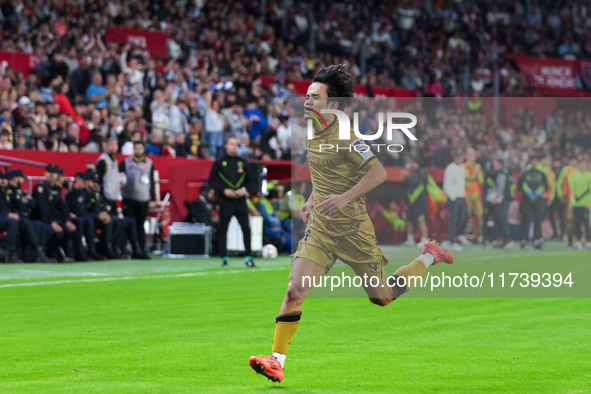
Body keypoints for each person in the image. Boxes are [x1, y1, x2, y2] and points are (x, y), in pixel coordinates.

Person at [248, 65, 454, 383]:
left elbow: (378, 173)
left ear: (332, 104)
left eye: (315, 97)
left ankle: (428, 256)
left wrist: (345, 198)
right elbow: (325, 174)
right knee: (295, 289)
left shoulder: (346, 135)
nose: (307, 101)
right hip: (321, 228)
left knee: (381, 296)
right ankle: (277, 361)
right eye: (306, 95)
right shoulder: (314, 133)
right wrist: (312, 199)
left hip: (353, 229)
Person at [207, 136, 256, 267]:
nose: (234, 146)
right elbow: (211, 182)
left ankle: (248, 257)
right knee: (223, 229)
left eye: (236, 144)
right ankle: (224, 258)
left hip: (240, 201)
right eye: (231, 144)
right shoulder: (219, 162)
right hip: (225, 201)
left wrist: (244, 190)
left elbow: (252, 181)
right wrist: (223, 191)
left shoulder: (243, 162)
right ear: (226, 146)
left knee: (246, 229)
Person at [31, 164, 85, 262]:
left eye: (54, 173)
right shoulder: (40, 188)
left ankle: (65, 252)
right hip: (41, 219)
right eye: (49, 172)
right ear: (45, 173)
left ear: (57, 175)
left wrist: (67, 220)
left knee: (70, 230)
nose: (51, 175)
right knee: (57, 231)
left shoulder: (56, 188)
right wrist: (51, 222)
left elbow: (62, 207)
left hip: (53, 220)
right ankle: (48, 252)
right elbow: (42, 208)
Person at [5, 169, 55, 262]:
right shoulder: (9, 191)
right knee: (28, 224)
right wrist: (26, 201)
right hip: (14, 218)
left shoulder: (18, 191)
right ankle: (38, 252)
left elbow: (33, 204)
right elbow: (21, 205)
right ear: (16, 179)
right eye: (21, 178)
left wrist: (27, 201)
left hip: (22, 217)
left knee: (41, 226)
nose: (23, 180)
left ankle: (37, 253)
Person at [119, 141, 156, 256]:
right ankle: (123, 248)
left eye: (140, 148)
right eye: (136, 148)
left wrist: (152, 198)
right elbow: (116, 173)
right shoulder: (127, 162)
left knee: (140, 226)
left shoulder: (149, 163)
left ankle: (141, 249)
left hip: (143, 199)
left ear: (144, 149)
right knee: (127, 225)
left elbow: (152, 182)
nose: (138, 151)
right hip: (129, 197)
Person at [65, 172, 110, 259]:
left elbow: (96, 208)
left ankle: (105, 248)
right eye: (93, 182)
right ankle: (83, 251)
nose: (95, 185)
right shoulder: (78, 193)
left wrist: (102, 215)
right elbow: (79, 212)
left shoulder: (92, 194)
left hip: (86, 217)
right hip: (77, 218)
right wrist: (97, 216)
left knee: (108, 221)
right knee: (86, 221)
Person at [518, 153, 548, 249]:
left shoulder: (541, 173)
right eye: (533, 161)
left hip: (538, 201)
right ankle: (524, 240)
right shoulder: (525, 173)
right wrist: (528, 192)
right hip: (527, 201)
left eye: (536, 161)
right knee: (527, 220)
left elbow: (546, 186)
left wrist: (539, 192)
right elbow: (519, 185)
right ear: (530, 162)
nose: (534, 163)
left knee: (538, 221)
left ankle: (537, 240)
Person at [485, 158, 514, 249]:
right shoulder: (499, 174)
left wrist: (494, 199)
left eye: (496, 164)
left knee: (501, 219)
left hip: (503, 199)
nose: (494, 166)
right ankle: (497, 240)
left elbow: (501, 189)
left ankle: (507, 239)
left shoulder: (501, 174)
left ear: (500, 165)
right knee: (497, 219)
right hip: (501, 199)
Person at [442, 149, 467, 252]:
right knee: (453, 220)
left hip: (462, 196)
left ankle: (448, 238)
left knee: (463, 218)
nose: (460, 159)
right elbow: (447, 185)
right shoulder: (450, 168)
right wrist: (453, 197)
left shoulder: (462, 167)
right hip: (454, 197)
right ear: (455, 158)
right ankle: (452, 242)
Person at [401, 156, 429, 247]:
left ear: (417, 163)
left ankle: (424, 240)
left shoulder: (423, 173)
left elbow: (416, 183)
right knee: (409, 219)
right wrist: (404, 178)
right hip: (412, 200)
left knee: (421, 220)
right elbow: (405, 185)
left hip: (420, 201)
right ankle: (410, 240)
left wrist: (407, 177)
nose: (411, 164)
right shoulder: (412, 173)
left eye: (412, 162)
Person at [567, 158, 591, 250]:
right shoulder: (574, 176)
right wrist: (571, 203)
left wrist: (589, 202)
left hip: (585, 204)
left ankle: (588, 241)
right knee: (576, 223)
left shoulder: (589, 176)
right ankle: (578, 241)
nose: (581, 166)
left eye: (583, 164)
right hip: (575, 204)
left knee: (586, 223)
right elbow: (572, 191)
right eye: (580, 164)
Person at [0, 171, 24, 262]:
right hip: (3, 218)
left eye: (5, 179)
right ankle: (10, 253)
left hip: (4, 218)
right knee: (12, 221)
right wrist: (7, 214)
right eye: (1, 179)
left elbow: (16, 206)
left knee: (24, 223)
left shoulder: (7, 192)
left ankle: (31, 253)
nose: (3, 181)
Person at [556, 157, 579, 247]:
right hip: (568, 198)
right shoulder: (566, 169)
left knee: (578, 219)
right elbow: (558, 183)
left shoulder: (579, 170)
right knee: (569, 219)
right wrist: (560, 194)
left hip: (578, 198)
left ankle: (578, 239)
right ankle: (570, 240)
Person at [463, 148, 484, 245]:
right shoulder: (464, 166)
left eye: (473, 155)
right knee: (466, 216)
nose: (471, 157)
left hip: (476, 194)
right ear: (466, 156)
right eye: (469, 155)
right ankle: (465, 235)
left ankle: (480, 235)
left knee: (479, 215)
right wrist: (474, 174)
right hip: (466, 194)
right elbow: (466, 179)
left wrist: (476, 175)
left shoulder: (477, 166)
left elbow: (481, 181)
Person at [96, 137, 121, 214]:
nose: (114, 147)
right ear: (105, 146)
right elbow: (98, 179)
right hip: (105, 196)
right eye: (111, 144)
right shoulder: (103, 161)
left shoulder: (115, 159)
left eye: (115, 144)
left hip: (113, 196)